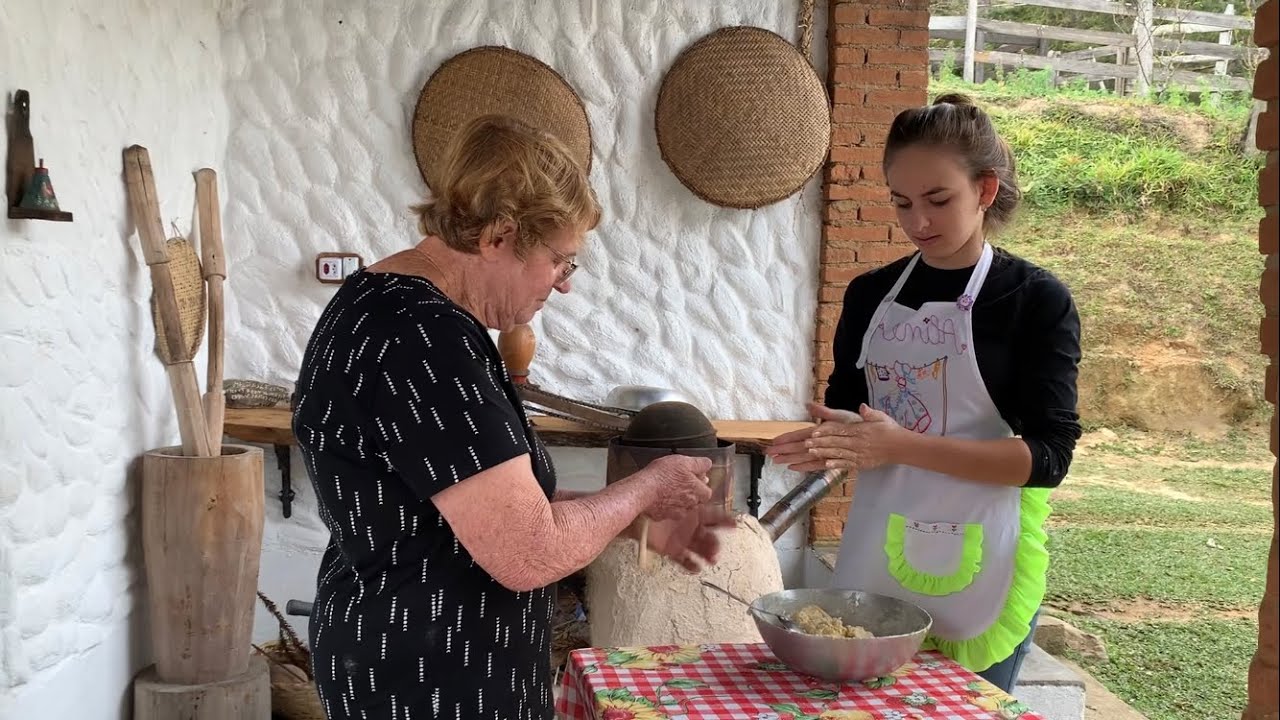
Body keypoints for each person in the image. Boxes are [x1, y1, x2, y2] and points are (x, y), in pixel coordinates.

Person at [291, 114, 732, 720]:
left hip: (406, 658)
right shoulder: (426, 337)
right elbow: (527, 551)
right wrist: (645, 486)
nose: (564, 284)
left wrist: (633, 514)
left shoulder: (385, 302)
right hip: (430, 682)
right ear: (499, 236)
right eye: (560, 260)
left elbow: (489, 504)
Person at [767, 93, 1082, 693]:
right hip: (879, 543)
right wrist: (830, 440)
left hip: (984, 550)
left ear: (985, 190)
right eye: (902, 202)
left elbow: (1048, 458)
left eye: (939, 201)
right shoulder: (870, 295)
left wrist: (899, 447)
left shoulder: (1034, 300)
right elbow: (853, 408)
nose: (917, 223)